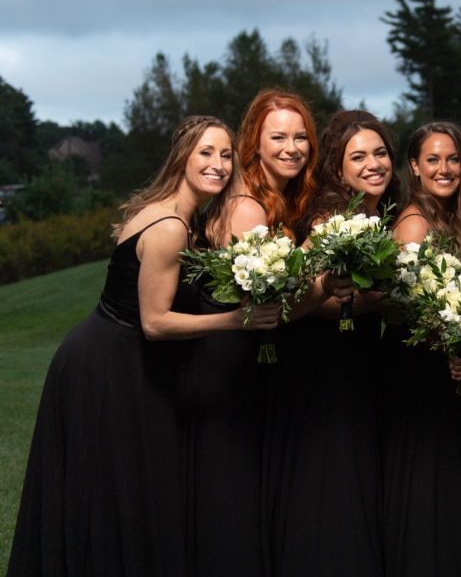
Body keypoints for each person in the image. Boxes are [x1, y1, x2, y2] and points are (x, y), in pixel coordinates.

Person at [8, 115, 279, 576]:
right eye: (206, 153)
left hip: (106, 356)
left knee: (108, 492)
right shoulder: (171, 225)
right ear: (182, 157)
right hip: (110, 366)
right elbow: (154, 323)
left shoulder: (165, 208)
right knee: (118, 489)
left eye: (226, 154)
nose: (218, 164)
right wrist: (237, 319)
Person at [185, 89, 327, 576]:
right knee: (234, 503)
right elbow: (269, 312)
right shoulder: (246, 207)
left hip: (247, 365)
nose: (292, 147)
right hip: (229, 368)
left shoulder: (274, 197)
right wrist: (324, 280)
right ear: (255, 143)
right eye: (278, 137)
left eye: (301, 137)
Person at [263, 109, 399, 576]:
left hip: (360, 360)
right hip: (325, 364)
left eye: (380, 153)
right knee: (333, 480)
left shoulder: (381, 208)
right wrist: (380, 299)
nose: (373, 164)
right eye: (357, 156)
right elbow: (316, 297)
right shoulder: (330, 213)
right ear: (338, 169)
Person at [382, 121, 461, 576]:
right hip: (425, 372)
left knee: (460, 484)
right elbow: (403, 306)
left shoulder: (454, 217)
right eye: (432, 160)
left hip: (457, 365)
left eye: (453, 159)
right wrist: (449, 341)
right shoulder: (414, 223)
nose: (444, 168)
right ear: (414, 168)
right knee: (432, 488)